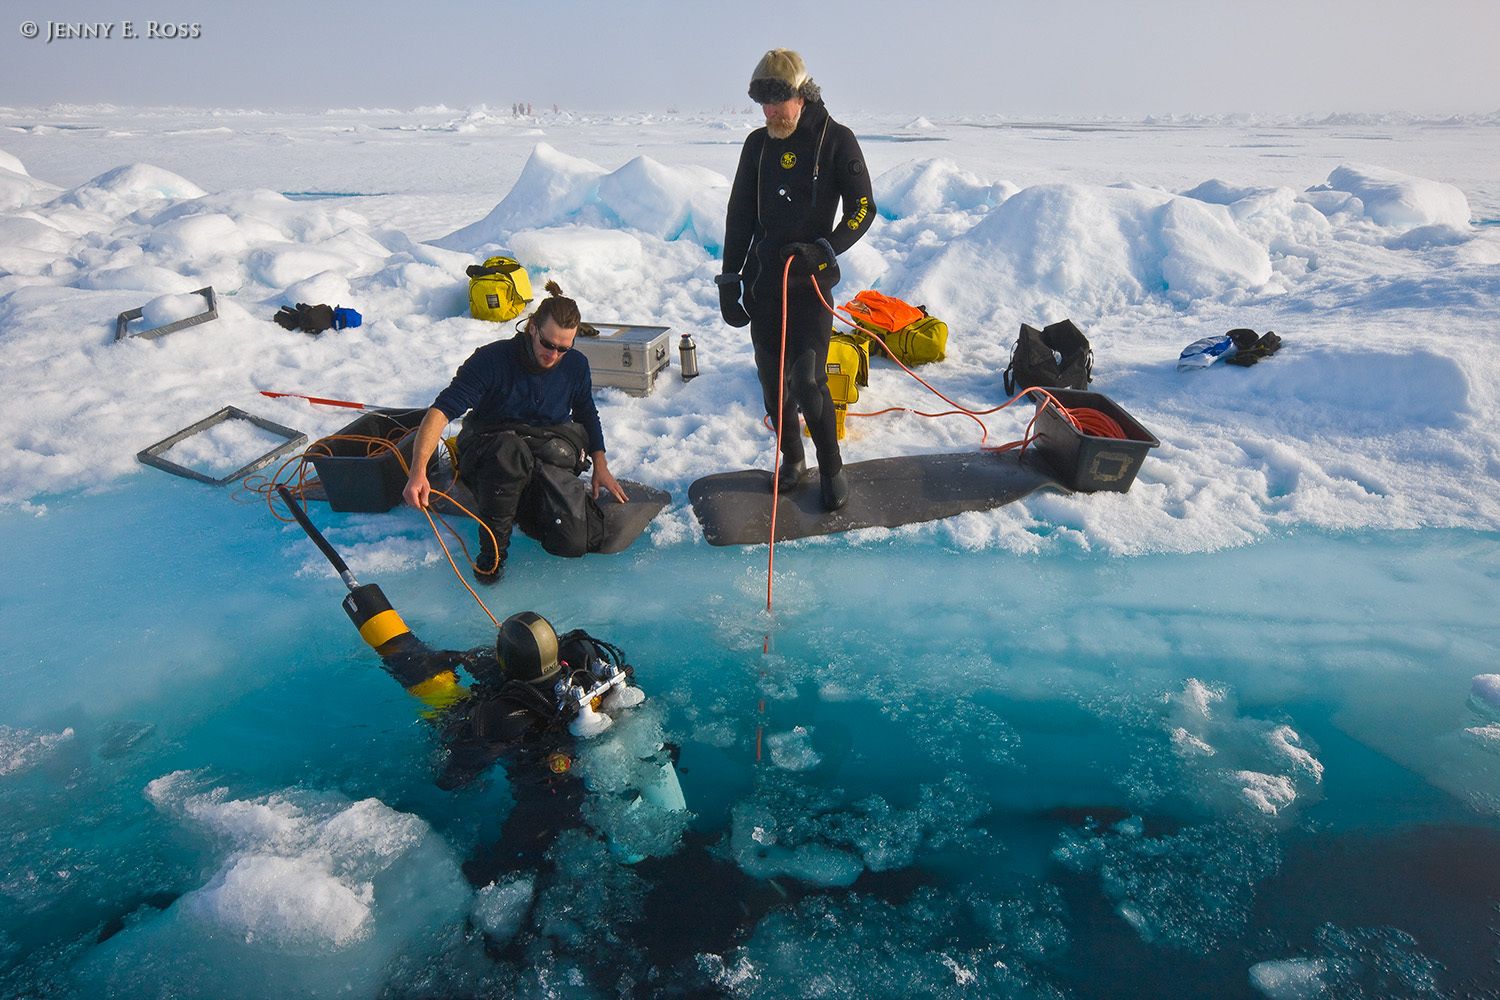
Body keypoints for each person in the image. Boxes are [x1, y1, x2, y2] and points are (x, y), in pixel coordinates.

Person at [718, 48, 875, 512]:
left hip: (809, 282)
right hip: (765, 280)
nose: (768, 113)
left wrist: (824, 248)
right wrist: (729, 278)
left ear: (801, 96)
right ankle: (792, 460)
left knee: (808, 381)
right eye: (761, 104)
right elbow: (739, 214)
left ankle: (831, 467)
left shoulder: (836, 140)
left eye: (777, 102)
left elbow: (863, 208)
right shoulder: (757, 145)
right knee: (772, 384)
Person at [402, 281, 627, 583]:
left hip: (544, 448)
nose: (554, 356)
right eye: (548, 345)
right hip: (490, 449)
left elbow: (586, 412)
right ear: (532, 327)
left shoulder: (576, 365)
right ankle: (493, 553)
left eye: (564, 348)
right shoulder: (491, 360)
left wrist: (600, 464)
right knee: (510, 451)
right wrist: (418, 472)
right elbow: (440, 412)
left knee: (571, 541)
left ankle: (527, 502)